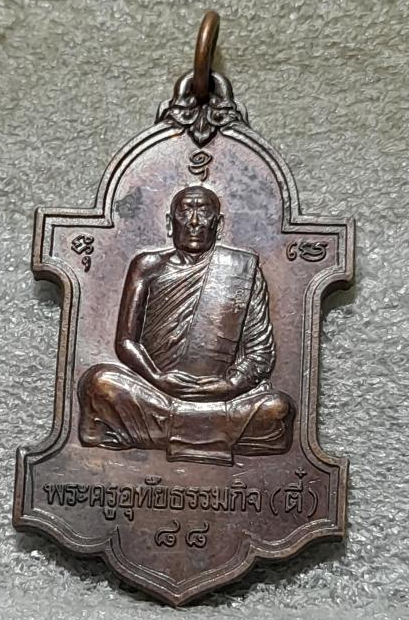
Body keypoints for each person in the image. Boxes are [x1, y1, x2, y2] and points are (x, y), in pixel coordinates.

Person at [78, 185, 292, 465]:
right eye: (186, 211)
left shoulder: (242, 270)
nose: (194, 221)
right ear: (170, 222)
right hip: (155, 391)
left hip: (219, 397)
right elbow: (126, 341)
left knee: (277, 408)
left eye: (203, 212)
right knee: (99, 382)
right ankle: (209, 431)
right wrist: (157, 378)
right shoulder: (148, 265)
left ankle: (157, 431)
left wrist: (228, 385)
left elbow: (259, 353)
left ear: (218, 224)